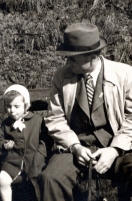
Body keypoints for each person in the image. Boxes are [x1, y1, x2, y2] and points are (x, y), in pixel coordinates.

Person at [39, 22, 132, 201]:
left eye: (72, 58)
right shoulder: (61, 77)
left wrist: (114, 150)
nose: (67, 62)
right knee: (51, 178)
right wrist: (75, 147)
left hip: (119, 147)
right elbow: (55, 118)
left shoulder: (126, 75)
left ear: (94, 56)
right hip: (77, 147)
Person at [0, 84, 50, 201]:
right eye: (9, 106)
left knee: (36, 184)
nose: (12, 110)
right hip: (12, 162)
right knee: (3, 179)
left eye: (16, 106)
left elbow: (44, 140)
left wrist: (40, 156)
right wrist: (4, 144)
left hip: (33, 160)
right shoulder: (6, 123)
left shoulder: (37, 120)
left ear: (26, 106)